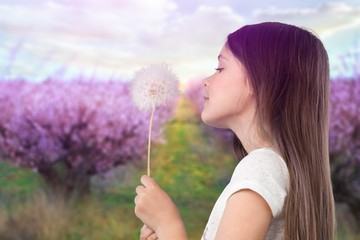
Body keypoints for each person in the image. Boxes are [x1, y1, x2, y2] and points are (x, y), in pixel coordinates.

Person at [134, 22, 336, 240]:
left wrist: (168, 225)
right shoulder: (281, 170)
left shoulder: (260, 169)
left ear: (259, 80)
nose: (205, 81)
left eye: (220, 68)